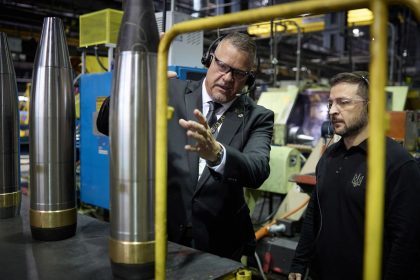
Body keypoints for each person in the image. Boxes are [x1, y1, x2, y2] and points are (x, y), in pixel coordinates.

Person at [97, 32, 274, 261]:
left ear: (248, 79)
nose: (228, 78)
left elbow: (257, 170)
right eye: (222, 66)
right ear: (209, 59)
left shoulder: (257, 117)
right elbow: (106, 124)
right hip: (163, 231)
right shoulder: (168, 91)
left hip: (221, 243)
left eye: (239, 73)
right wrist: (134, 83)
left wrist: (217, 154)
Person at [288, 71, 420, 280]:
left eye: (343, 102)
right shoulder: (329, 156)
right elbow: (314, 213)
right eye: (331, 103)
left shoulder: (398, 164)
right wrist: (299, 262)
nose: (332, 110)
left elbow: (406, 241)